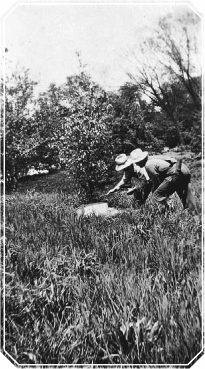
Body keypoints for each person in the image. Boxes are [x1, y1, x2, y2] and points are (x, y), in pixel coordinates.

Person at [106, 149, 199, 213]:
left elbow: (152, 182)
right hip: (183, 168)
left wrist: (137, 189)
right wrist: (114, 189)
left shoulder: (146, 166)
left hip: (174, 172)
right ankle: (192, 214)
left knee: (158, 194)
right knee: (185, 195)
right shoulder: (150, 159)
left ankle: (169, 209)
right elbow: (124, 179)